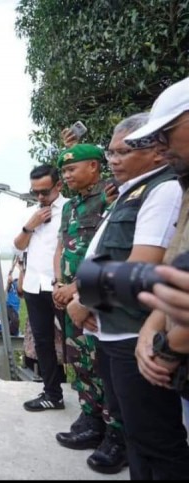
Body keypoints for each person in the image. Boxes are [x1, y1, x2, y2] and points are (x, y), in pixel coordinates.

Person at [66, 110, 186, 478]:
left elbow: (142, 266)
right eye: (110, 153)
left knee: (156, 441)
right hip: (115, 330)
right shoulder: (133, 190)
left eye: (123, 152)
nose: (113, 160)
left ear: (156, 150)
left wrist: (81, 299)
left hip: (136, 333)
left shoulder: (162, 190)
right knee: (136, 435)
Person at [121, 77, 189, 478]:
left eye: (168, 131)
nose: (161, 145)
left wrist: (166, 346)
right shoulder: (183, 186)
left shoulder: (160, 191)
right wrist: (153, 329)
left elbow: (140, 266)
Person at [51, 143, 116, 462]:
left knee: (106, 365)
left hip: (98, 297)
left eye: (71, 169)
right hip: (69, 296)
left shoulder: (111, 196)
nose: (66, 175)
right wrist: (59, 284)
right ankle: (91, 418)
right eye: (63, 170)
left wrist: (78, 289)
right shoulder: (69, 207)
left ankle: (114, 430)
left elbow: (115, 250)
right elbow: (62, 247)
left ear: (94, 166)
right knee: (80, 361)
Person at [13, 164, 68, 412]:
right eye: (35, 191)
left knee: (77, 346)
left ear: (58, 185)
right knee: (43, 343)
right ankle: (52, 393)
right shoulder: (33, 214)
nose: (40, 197)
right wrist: (29, 225)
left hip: (61, 287)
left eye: (44, 191)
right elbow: (18, 247)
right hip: (35, 287)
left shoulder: (69, 209)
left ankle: (96, 405)